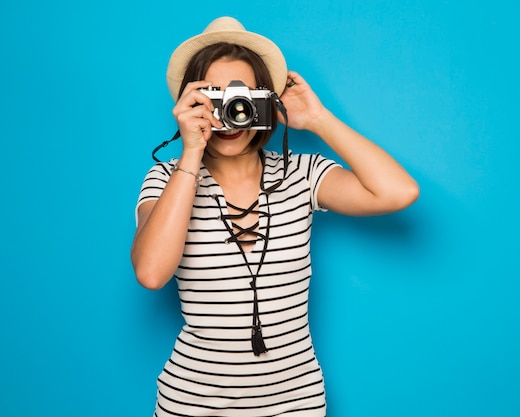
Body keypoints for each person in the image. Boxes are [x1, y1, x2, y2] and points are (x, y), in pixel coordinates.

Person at [131, 16, 419, 417]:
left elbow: (398, 192)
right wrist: (191, 153)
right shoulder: (167, 178)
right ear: (191, 101)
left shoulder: (300, 173)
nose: (231, 111)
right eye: (215, 96)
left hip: (294, 404)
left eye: (244, 97)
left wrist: (318, 120)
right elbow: (150, 272)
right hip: (192, 403)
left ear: (266, 102)